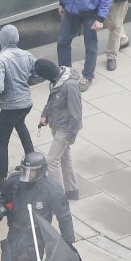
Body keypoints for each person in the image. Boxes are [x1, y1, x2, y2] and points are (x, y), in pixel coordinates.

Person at [0, 151, 75, 261]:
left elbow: (64, 217)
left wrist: (68, 244)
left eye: (31, 171)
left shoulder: (52, 190)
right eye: (25, 170)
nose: (27, 174)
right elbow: (3, 199)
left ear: (41, 171)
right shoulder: (15, 181)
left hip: (35, 237)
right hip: (14, 233)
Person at [0, 25, 39, 191]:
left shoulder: (0, 60)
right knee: (21, 127)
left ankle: (2, 179)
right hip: (26, 103)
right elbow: (37, 75)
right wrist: (26, 83)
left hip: (10, 106)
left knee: (2, 142)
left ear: (2, 40)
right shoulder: (27, 55)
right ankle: (33, 164)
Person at [57, 0, 113, 91]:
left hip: (90, 13)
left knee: (90, 46)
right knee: (63, 42)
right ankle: (66, 73)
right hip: (71, 11)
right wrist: (62, 2)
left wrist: (100, 18)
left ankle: (87, 76)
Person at [34, 59, 83, 200]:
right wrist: (45, 115)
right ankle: (72, 191)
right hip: (57, 125)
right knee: (64, 158)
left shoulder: (69, 85)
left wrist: (70, 137)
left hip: (65, 129)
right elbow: (52, 100)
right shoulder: (56, 80)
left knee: (52, 161)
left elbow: (76, 113)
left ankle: (57, 197)